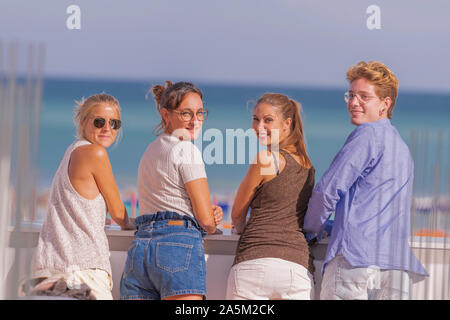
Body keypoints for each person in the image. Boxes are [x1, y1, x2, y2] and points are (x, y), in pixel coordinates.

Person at [303, 61, 428, 300]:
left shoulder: (367, 135)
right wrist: (330, 227)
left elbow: (327, 192)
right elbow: (371, 210)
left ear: (385, 104)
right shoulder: (401, 149)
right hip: (395, 268)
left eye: (364, 96)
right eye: (350, 95)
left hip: (355, 263)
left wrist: (309, 230)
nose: (353, 102)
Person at [120, 81, 223, 300]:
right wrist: (212, 222)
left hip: (140, 249)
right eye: (186, 113)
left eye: (200, 113)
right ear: (166, 115)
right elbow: (205, 220)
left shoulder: (151, 150)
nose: (195, 121)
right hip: (177, 246)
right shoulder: (186, 149)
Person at [29, 93, 134, 300]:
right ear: (83, 121)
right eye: (99, 121)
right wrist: (137, 224)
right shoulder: (95, 153)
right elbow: (119, 214)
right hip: (81, 272)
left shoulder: (72, 151)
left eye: (114, 123)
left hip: (49, 269)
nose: (107, 128)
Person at [226, 93, 315, 300]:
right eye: (256, 119)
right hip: (296, 269)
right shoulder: (307, 166)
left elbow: (238, 214)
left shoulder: (265, 159)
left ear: (287, 124)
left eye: (268, 120)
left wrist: (240, 228)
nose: (259, 127)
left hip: (254, 264)